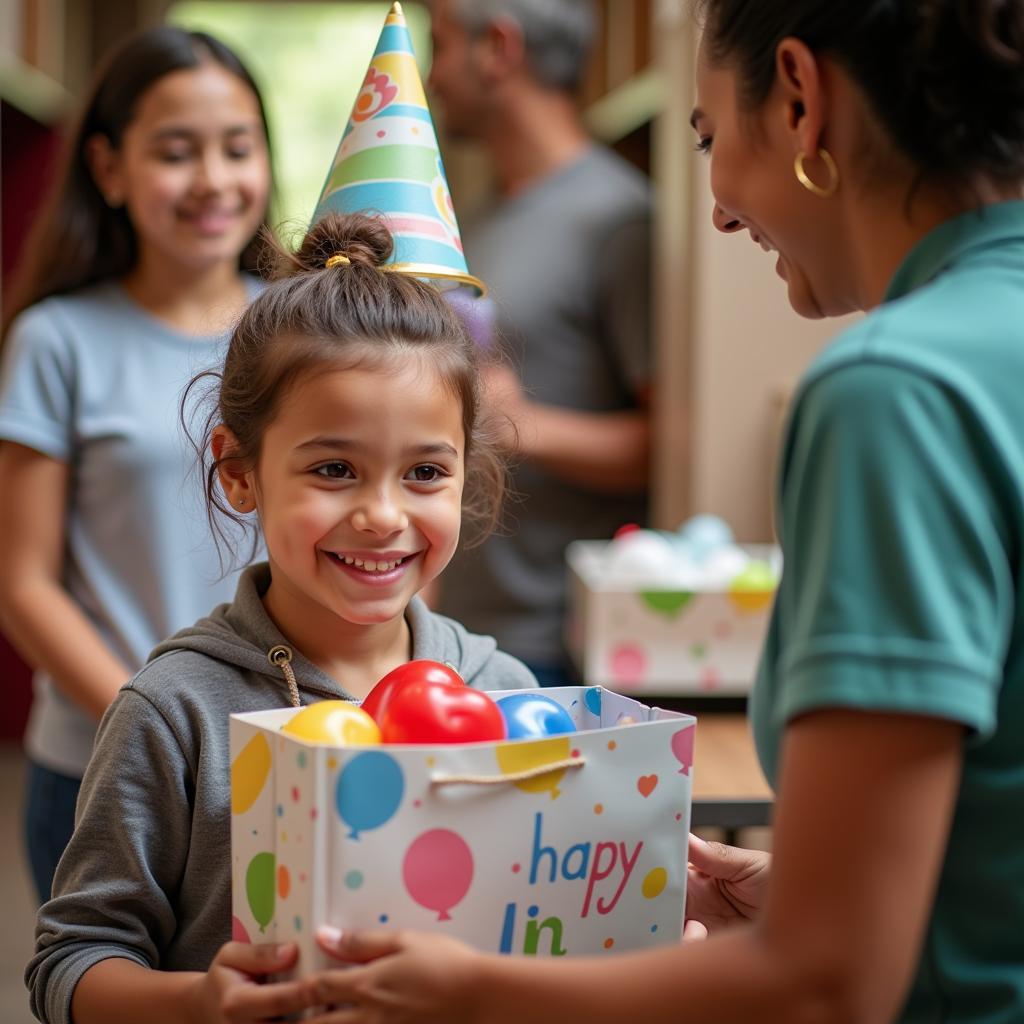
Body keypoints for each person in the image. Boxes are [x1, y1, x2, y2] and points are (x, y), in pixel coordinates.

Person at [280, 1, 1024, 1021]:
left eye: (710, 136)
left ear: (801, 99)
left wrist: (474, 990)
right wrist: (804, 903)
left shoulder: (893, 389)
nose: (716, 210)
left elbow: (827, 983)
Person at [26, 210, 537, 1024]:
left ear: (466, 475)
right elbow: (71, 964)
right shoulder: (174, 712)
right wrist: (198, 1002)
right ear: (239, 472)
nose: (382, 515)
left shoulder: (505, 694)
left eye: (425, 472)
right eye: (335, 468)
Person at [0, 25, 273, 905]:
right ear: (110, 170)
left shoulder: (305, 333)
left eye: (238, 147)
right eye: (175, 152)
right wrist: (154, 729)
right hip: (100, 771)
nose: (214, 180)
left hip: (294, 760)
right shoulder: (57, 340)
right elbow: (23, 583)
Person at [427, 0, 652, 686]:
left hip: (554, 645)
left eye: (438, 45)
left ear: (498, 47)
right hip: (459, 630)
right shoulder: (478, 214)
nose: (430, 76)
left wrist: (524, 426)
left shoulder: (621, 218)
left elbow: (672, 443)